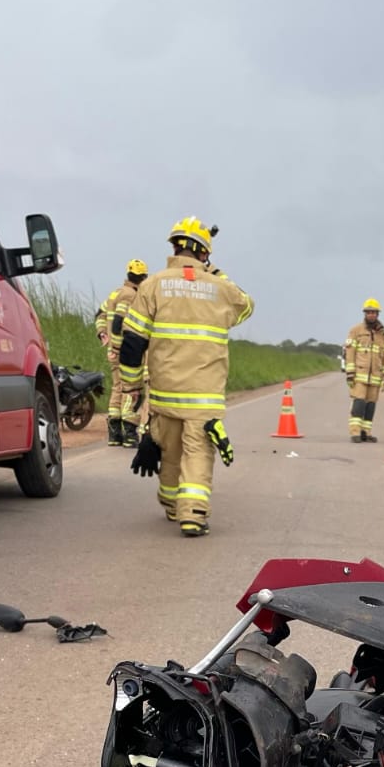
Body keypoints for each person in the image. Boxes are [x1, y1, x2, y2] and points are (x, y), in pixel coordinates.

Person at [118, 218, 253, 538]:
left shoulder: (153, 284)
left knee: (171, 450)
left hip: (165, 393)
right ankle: (192, 514)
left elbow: (133, 342)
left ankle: (169, 502)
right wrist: (215, 272)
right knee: (198, 451)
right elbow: (246, 306)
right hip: (204, 397)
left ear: (174, 246)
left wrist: (132, 386)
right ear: (205, 253)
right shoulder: (221, 288)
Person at [95, 258, 149, 447]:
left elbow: (100, 315)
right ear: (143, 278)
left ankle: (114, 434)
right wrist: (118, 348)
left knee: (118, 388)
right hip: (125, 351)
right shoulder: (130, 295)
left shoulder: (115, 293)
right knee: (132, 390)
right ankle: (130, 432)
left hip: (113, 350)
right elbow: (118, 323)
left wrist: (102, 334)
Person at [344, 298, 384, 442]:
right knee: (359, 403)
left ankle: (366, 432)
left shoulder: (382, 334)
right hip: (360, 375)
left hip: (375, 377)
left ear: (378, 314)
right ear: (365, 313)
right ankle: (355, 432)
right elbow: (350, 353)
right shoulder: (356, 331)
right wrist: (350, 373)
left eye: (374, 312)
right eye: (369, 312)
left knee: (371, 405)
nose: (371, 315)